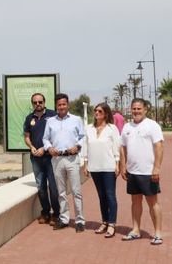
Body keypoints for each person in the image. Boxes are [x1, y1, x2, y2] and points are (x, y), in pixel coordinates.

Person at [120, 98, 164, 245]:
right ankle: (136, 230)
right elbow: (123, 147)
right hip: (133, 172)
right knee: (135, 201)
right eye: (134, 109)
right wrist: (123, 165)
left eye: (139, 109)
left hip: (148, 172)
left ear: (145, 109)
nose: (136, 111)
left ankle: (157, 233)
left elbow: (159, 147)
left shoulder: (152, 125)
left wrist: (156, 168)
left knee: (153, 203)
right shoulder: (127, 127)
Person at [42, 93, 86, 232]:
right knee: (61, 192)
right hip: (57, 159)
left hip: (72, 158)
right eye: (59, 104)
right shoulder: (50, 121)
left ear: (68, 105)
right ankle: (64, 218)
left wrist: (78, 146)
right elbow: (45, 139)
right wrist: (49, 148)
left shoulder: (76, 119)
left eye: (64, 104)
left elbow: (83, 136)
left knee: (76, 191)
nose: (61, 107)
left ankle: (80, 220)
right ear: (56, 106)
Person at [81, 103, 120, 238]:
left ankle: (112, 224)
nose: (96, 113)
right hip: (95, 167)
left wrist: (117, 163)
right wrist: (85, 164)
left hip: (109, 167)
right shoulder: (89, 129)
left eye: (100, 111)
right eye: (95, 111)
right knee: (101, 196)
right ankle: (104, 221)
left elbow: (116, 147)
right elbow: (85, 147)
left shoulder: (112, 128)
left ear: (106, 114)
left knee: (110, 196)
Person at [23, 93, 59, 225]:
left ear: (44, 102)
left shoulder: (53, 115)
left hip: (50, 158)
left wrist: (45, 148)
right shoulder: (29, 118)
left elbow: (56, 136)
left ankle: (56, 214)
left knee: (54, 188)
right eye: (35, 102)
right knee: (41, 187)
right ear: (32, 103)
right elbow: (27, 136)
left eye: (40, 102)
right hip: (36, 158)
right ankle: (45, 212)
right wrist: (31, 147)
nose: (37, 104)